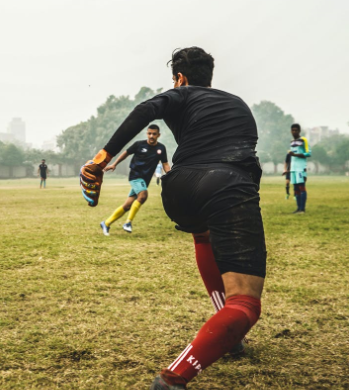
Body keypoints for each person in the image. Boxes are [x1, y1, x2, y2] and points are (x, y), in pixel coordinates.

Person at [79, 47, 265, 389]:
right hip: (227, 183)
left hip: (178, 189)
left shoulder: (179, 95)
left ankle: (227, 330)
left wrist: (100, 159)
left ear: (179, 79)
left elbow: (144, 110)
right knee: (246, 304)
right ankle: (173, 378)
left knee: (203, 235)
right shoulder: (237, 103)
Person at [99, 125, 170, 235]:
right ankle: (128, 223)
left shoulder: (161, 148)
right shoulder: (139, 145)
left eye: (154, 134)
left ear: (158, 135)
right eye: (149, 133)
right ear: (147, 133)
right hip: (135, 176)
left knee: (127, 205)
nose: (151, 136)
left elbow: (165, 164)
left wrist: (170, 176)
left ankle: (106, 223)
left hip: (144, 180)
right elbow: (126, 153)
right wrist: (114, 164)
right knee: (143, 195)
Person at [286, 124, 310, 213]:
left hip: (300, 168)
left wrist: (295, 154)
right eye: (293, 130)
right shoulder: (292, 142)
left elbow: (308, 153)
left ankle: (302, 209)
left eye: (296, 130)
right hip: (293, 169)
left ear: (299, 131)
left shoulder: (304, 140)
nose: (294, 132)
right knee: (295, 188)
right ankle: (298, 208)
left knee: (301, 187)